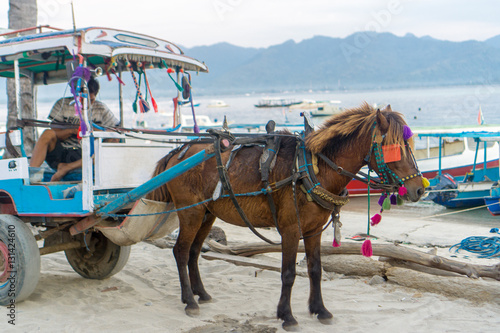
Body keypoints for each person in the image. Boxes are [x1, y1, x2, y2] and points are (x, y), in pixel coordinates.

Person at [30, 77, 119, 181]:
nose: (86, 104)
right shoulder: (62, 104)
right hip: (61, 153)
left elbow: (114, 132)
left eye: (91, 100)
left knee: (114, 140)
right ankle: (32, 175)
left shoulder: (102, 108)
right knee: (47, 133)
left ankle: (67, 168)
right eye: (82, 100)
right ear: (75, 95)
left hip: (87, 155)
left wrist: (91, 131)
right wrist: (72, 131)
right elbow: (54, 132)